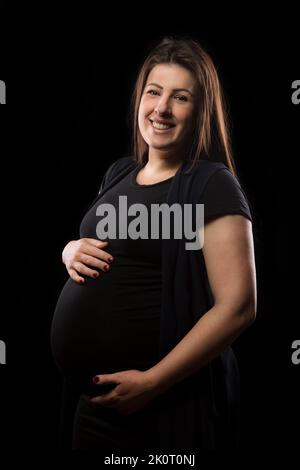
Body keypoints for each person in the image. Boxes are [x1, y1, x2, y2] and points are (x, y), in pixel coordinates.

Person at [51, 37, 257, 452]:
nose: (162, 108)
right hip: (92, 409)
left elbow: (238, 305)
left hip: (160, 407)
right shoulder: (118, 174)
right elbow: (108, 252)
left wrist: (152, 382)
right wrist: (68, 251)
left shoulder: (210, 184)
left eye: (180, 98)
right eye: (154, 92)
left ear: (199, 111)